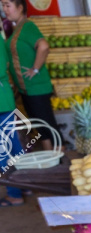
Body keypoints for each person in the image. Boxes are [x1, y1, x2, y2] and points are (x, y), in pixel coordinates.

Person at [2, 0, 59, 151]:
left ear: (20, 8)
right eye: (3, 5)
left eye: (8, 5)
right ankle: (50, 159)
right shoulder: (17, 28)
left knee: (47, 124)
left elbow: (44, 45)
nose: (4, 9)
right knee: (41, 127)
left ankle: (61, 160)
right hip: (26, 88)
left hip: (36, 86)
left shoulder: (28, 26)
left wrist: (35, 69)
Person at [0, 30, 23, 206]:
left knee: (3, 149)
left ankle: (14, 193)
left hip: (2, 101)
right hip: (4, 99)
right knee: (13, 145)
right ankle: (24, 184)